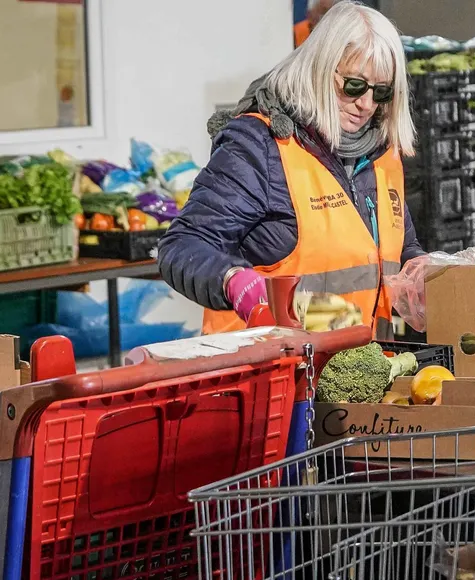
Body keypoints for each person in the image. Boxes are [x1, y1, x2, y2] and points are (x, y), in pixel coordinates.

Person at [159, 1, 424, 337]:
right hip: (269, 372)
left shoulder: (381, 152)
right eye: (354, 86)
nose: (367, 104)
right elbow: (182, 245)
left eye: (381, 92)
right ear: (320, 68)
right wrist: (233, 281)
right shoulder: (260, 146)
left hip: (358, 370)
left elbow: (401, 248)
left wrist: (419, 271)